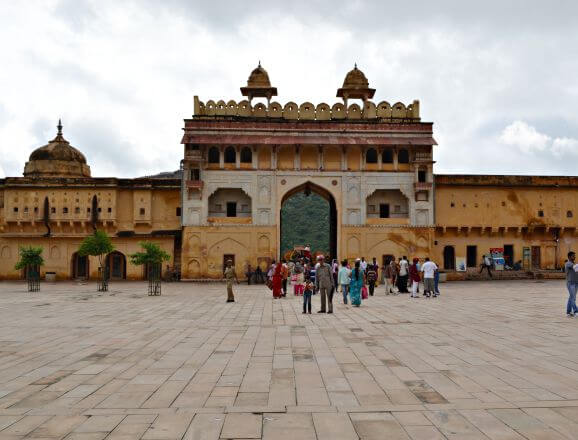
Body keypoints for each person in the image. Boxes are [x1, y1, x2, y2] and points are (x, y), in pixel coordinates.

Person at [564, 251, 578, 317]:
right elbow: (575, 267)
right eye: (573, 256)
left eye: (574, 256)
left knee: (571, 298)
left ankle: (568, 312)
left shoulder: (574, 263)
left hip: (576, 283)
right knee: (573, 298)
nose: (574, 257)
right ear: (569, 257)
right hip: (570, 283)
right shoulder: (568, 263)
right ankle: (576, 311)